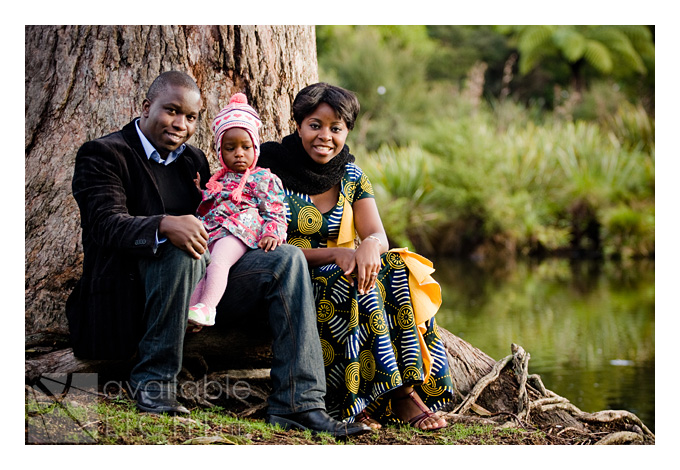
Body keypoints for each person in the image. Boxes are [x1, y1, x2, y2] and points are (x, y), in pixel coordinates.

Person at [66, 71, 370, 437]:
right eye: (171, 111)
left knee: (286, 259)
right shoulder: (105, 153)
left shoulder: (192, 160)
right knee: (182, 251)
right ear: (146, 108)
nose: (180, 124)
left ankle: (299, 404)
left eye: (191, 117)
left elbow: (219, 214)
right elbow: (103, 224)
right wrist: (164, 225)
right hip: (132, 292)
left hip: (204, 283)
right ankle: (154, 382)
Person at [259, 82, 454, 431]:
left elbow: (377, 234)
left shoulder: (350, 174)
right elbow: (265, 247)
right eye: (315, 125)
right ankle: (352, 401)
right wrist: (336, 253)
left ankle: (402, 392)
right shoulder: (269, 170)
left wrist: (368, 246)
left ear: (347, 130)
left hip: (344, 265)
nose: (325, 136)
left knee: (397, 266)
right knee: (343, 278)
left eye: (336, 128)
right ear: (298, 124)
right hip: (291, 277)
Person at [188, 93, 287, 327]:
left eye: (245, 146)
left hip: (239, 231)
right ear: (220, 152)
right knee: (198, 266)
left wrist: (272, 232)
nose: (239, 153)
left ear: (256, 147)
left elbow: (275, 210)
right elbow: (209, 207)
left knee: (219, 261)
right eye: (230, 148)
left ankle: (208, 307)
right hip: (212, 231)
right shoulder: (217, 180)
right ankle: (191, 314)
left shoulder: (263, 178)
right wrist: (199, 192)